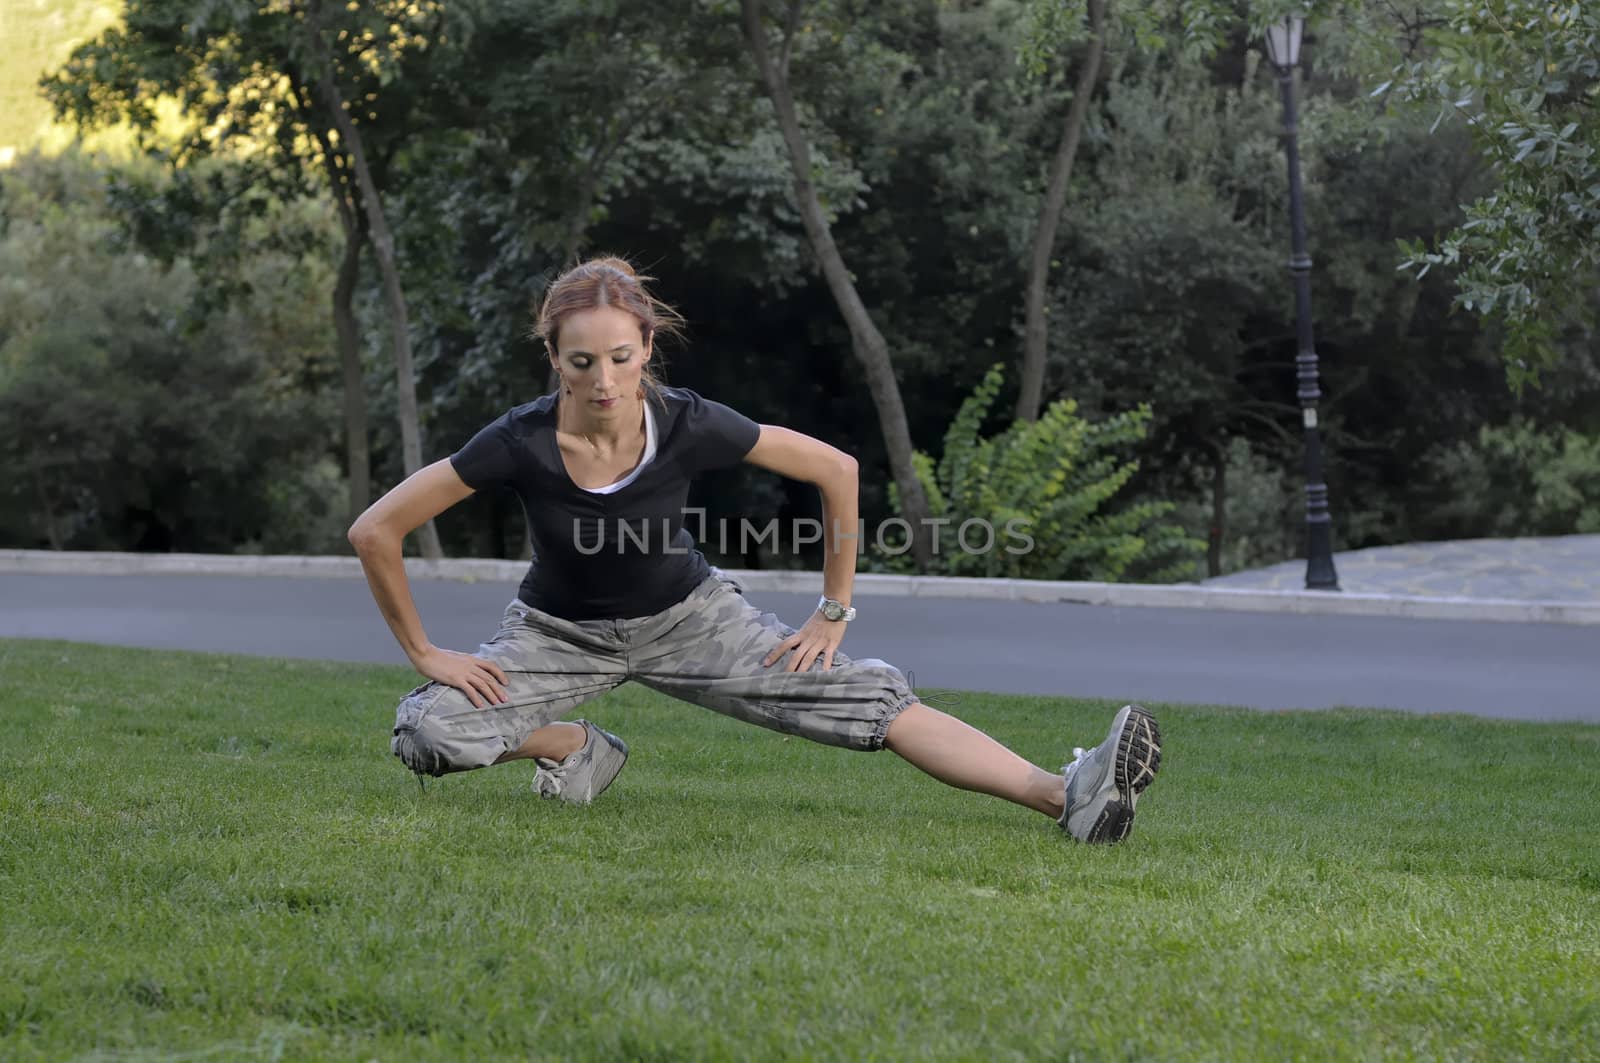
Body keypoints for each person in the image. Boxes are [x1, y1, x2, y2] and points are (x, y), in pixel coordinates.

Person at [348, 257, 1161, 843]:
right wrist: (424, 650)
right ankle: (575, 747)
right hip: (557, 634)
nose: (603, 380)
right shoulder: (518, 440)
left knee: (868, 701)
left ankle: (1071, 795)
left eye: (621, 358)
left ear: (647, 349)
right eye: (581, 361)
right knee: (428, 732)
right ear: (552, 357)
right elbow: (375, 529)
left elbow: (835, 470)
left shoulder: (689, 420)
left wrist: (833, 611)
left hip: (692, 621)